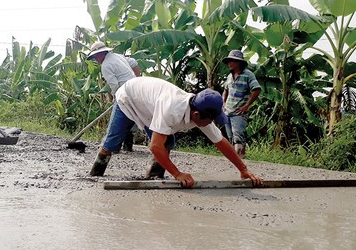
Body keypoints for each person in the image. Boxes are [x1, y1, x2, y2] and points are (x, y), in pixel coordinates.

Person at [89, 76, 262, 188]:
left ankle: (154, 178)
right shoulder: (172, 109)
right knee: (112, 141)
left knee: (167, 143)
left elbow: (220, 142)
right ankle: (95, 175)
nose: (211, 124)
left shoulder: (200, 111)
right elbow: (154, 147)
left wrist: (243, 169)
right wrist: (178, 174)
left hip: (151, 106)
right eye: (211, 120)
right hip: (129, 97)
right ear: (196, 115)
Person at [87, 41, 141, 152]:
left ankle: (110, 148)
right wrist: (137, 79)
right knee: (130, 117)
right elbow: (134, 63)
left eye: (96, 56)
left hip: (125, 92)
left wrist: (116, 98)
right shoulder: (118, 56)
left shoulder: (106, 65)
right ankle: (127, 146)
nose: (96, 59)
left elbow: (114, 85)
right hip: (135, 89)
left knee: (117, 121)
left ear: (101, 54)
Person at [222, 50, 261, 159]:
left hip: (239, 112)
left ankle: (241, 159)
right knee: (230, 136)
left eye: (232, 61)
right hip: (227, 111)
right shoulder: (229, 76)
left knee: (238, 136)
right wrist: (223, 103)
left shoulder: (248, 74)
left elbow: (257, 89)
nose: (229, 63)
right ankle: (233, 160)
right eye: (229, 61)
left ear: (238, 62)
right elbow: (225, 90)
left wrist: (247, 105)